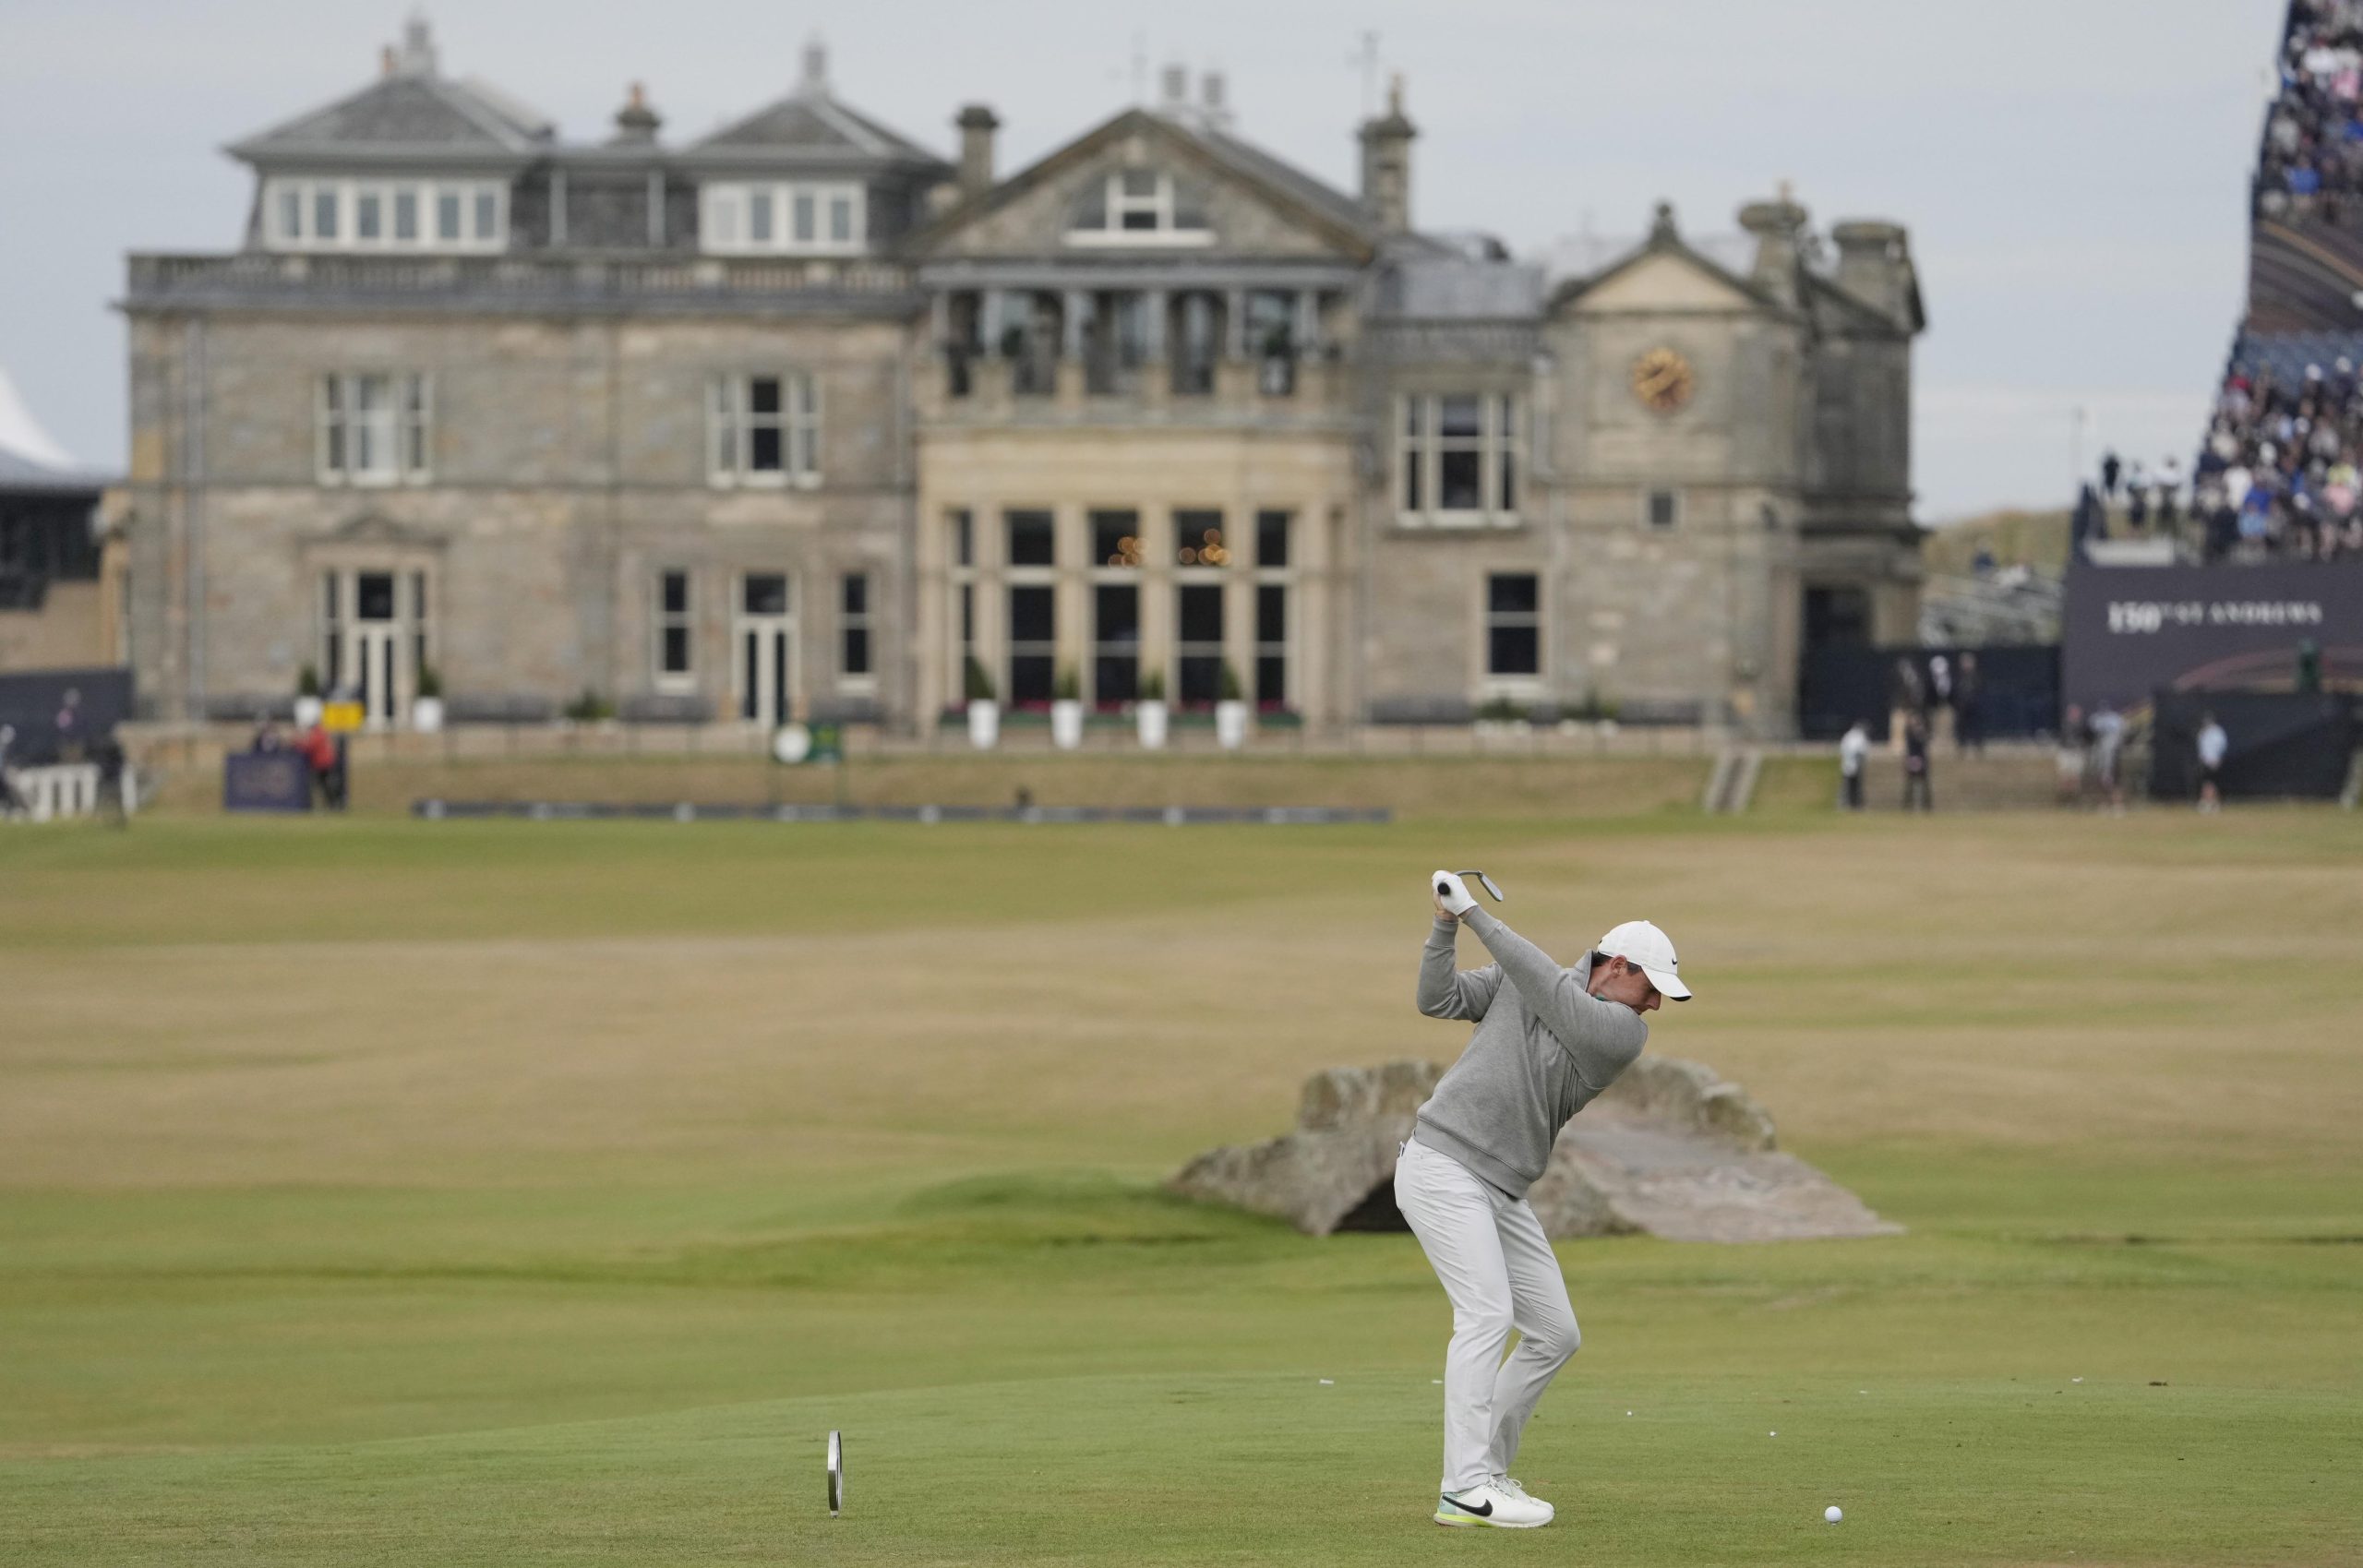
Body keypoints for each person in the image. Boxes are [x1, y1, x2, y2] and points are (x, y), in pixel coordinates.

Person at [1400, 875, 1688, 1530]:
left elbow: (1544, 984)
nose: (1656, 1007)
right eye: (1651, 990)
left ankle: (1487, 1472)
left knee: (1555, 1332)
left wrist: (1473, 910)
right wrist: (1445, 923)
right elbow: (1435, 998)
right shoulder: (1529, 983)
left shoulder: (1618, 1032)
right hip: (1442, 1163)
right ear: (1617, 967)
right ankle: (1464, 1487)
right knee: (1486, 1313)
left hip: (1498, 1188)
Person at [2090, 702, 2127, 815]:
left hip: (2113, 755)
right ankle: (2103, 805)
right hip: (2101, 756)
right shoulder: (2096, 720)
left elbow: (2122, 735)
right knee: (2102, 781)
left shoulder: (2117, 720)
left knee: (2115, 782)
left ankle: (2117, 805)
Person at [2196, 711, 2228, 813]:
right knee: (2207, 783)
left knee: (2212, 783)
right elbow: (2201, 747)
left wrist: (2218, 758)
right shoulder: (2202, 733)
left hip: (2215, 761)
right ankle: (2208, 803)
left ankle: (2213, 803)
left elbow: (2222, 746)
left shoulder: (2217, 732)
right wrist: (2202, 758)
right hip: (2205, 761)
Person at [1954, 652, 1985, 755]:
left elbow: (1980, 690)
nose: (1967, 665)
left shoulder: (1976, 676)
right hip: (1962, 706)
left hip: (1974, 706)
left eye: (1969, 663)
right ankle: (1962, 747)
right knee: (1962, 727)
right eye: (1964, 663)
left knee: (1976, 726)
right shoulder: (1958, 676)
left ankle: (1978, 746)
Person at [1901, 712, 1933, 811]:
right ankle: (1908, 804)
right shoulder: (1909, 733)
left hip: (1921, 759)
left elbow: (1925, 742)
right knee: (1910, 782)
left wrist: (1921, 733)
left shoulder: (1921, 732)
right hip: (1913, 759)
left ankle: (1926, 804)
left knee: (1924, 782)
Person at [1839, 718, 1870, 810]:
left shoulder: (1848, 736)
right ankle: (1852, 803)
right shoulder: (1858, 737)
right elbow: (1863, 750)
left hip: (1850, 764)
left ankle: (1853, 803)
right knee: (1852, 785)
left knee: (1851, 785)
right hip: (1853, 764)